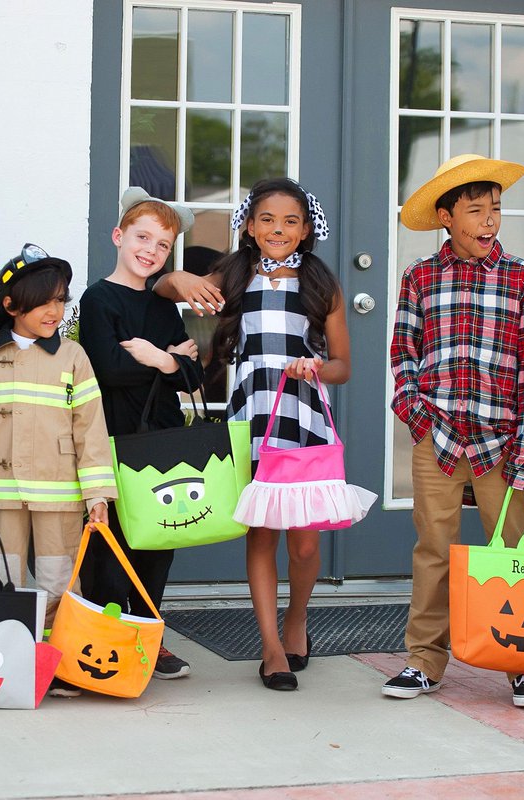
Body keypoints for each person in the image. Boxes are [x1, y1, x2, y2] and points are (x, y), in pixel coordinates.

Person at [155, 177, 353, 691]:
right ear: (249, 226)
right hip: (252, 415)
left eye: (290, 221)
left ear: (307, 230)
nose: (278, 230)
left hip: (303, 413)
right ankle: (270, 648)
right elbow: (163, 288)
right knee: (262, 532)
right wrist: (179, 278)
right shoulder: (235, 273)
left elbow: (344, 366)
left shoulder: (321, 284)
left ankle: (296, 618)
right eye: (267, 219)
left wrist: (315, 367)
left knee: (305, 546)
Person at [385, 154, 524, 707]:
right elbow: (403, 353)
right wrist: (418, 415)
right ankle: (424, 661)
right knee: (434, 546)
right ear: (445, 218)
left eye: (495, 210)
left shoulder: (523, 279)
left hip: (503, 440)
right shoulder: (420, 277)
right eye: (475, 211)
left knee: (510, 550)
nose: (488, 222)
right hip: (440, 437)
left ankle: (523, 662)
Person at [0, 245, 117, 696]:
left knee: (58, 580)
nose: (56, 310)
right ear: (11, 305)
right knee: (5, 578)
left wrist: (97, 496)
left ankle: (57, 661)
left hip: (59, 493)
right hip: (2, 491)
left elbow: (91, 429)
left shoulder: (74, 357)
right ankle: (10, 659)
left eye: (61, 300)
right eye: (44, 301)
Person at [78, 187, 203, 680]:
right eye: (142, 238)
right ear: (119, 236)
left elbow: (195, 376)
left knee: (157, 540)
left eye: (162, 245)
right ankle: (107, 637)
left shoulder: (161, 305)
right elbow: (106, 369)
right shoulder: (99, 298)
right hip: (114, 436)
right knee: (114, 543)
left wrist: (156, 357)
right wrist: (173, 361)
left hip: (163, 439)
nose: (150, 250)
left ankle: (150, 632)